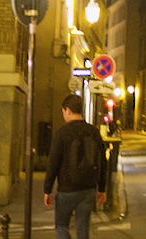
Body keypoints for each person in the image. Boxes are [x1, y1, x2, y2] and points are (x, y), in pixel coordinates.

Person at [43, 93, 107, 239]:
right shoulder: (94, 132)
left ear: (68, 110)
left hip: (66, 190)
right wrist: (102, 188)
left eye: (63, 111)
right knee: (83, 230)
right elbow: (103, 161)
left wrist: (47, 189)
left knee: (61, 225)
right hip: (88, 189)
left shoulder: (61, 134)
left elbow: (53, 163)